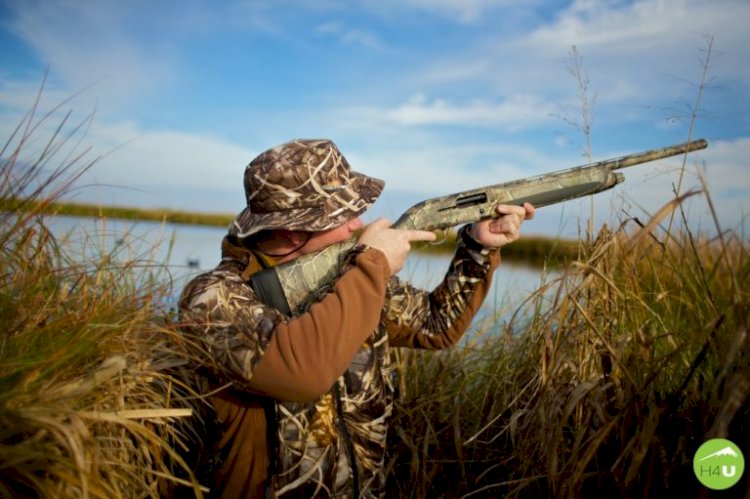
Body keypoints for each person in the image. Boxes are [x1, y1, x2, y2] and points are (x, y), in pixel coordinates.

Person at [178, 139, 535, 498]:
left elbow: (435, 325)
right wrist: (372, 266)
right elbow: (303, 373)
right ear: (293, 229)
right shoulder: (212, 298)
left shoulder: (348, 275)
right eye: (343, 215)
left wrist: (478, 246)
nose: (358, 224)